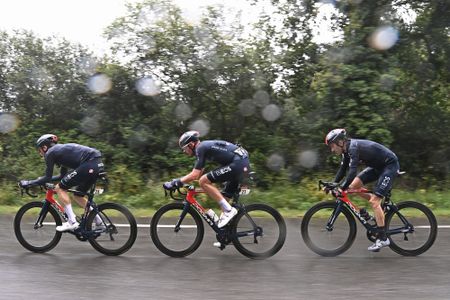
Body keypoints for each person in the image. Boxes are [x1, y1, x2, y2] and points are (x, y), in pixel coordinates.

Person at [324, 128, 400, 252]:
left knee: (374, 202)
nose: (332, 150)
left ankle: (383, 238)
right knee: (352, 187)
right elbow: (343, 170)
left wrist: (341, 188)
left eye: (332, 146)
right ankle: (372, 209)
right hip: (377, 167)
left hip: (389, 165)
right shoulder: (346, 151)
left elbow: (352, 172)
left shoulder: (353, 148)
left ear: (339, 142)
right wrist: (333, 184)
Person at [163, 131, 250, 230]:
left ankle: (229, 211)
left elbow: (196, 175)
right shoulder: (203, 148)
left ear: (191, 145)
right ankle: (226, 234)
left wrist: (176, 182)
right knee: (224, 197)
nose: (184, 151)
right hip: (240, 162)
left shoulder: (201, 148)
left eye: (184, 148)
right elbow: (197, 174)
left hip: (238, 163)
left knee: (203, 181)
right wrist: (184, 182)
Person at [19, 134, 104, 232]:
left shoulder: (50, 153)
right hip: (96, 163)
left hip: (89, 164)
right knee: (78, 195)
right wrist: (41, 180)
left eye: (39, 150)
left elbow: (47, 177)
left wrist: (29, 182)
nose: (40, 153)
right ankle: (99, 223)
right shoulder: (61, 152)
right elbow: (61, 176)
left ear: (44, 147)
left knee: (60, 188)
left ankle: (72, 222)